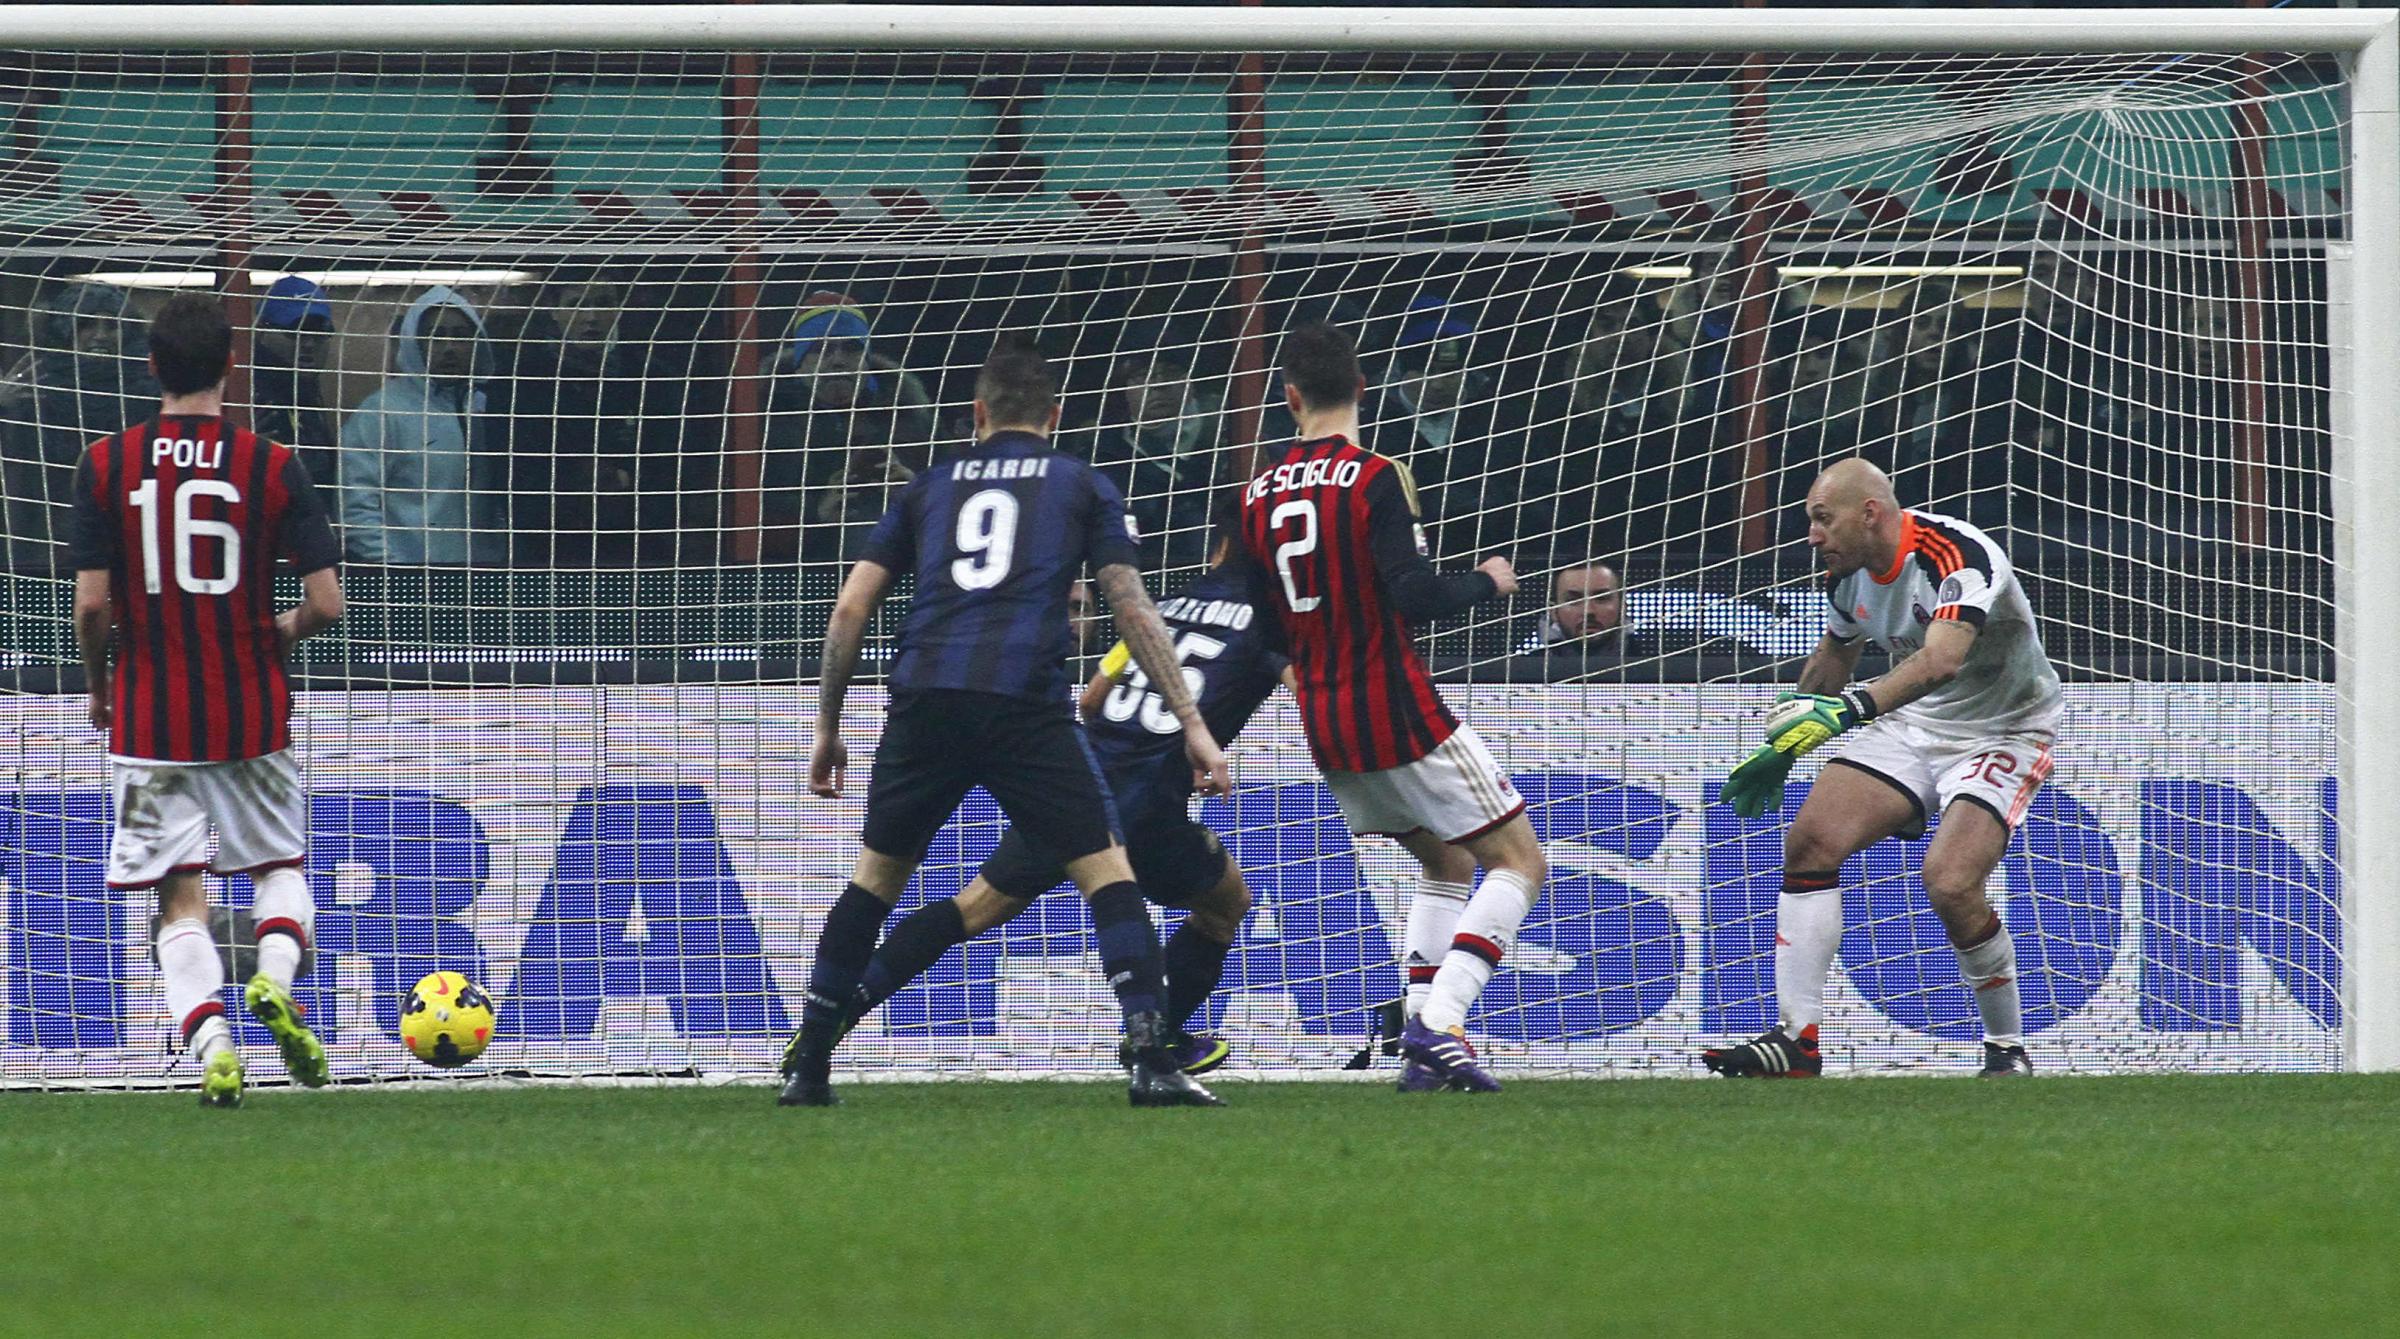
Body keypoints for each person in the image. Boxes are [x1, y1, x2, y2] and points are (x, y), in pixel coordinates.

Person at [783, 338, 1233, 1109]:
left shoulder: (928, 487)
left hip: (925, 697)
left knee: (876, 880)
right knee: (1107, 871)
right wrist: (1191, 722)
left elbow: (851, 607)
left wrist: (828, 725)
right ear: (1053, 416)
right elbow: (1131, 606)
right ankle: (1151, 1058)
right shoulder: (1081, 483)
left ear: (978, 413)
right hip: (1025, 701)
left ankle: (810, 1063)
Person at [840, 504, 1289, 1074]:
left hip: (1076, 785)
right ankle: (1157, 1039)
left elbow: (1092, 698)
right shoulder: (1272, 620)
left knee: (970, 910)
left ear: (1219, 548)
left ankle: (830, 1017)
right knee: (1225, 905)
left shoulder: (1165, 607)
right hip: (1147, 800)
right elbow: (1309, 688)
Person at [1240, 322, 1544, 1094]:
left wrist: (1306, 677)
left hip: (1326, 720)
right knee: (1519, 862)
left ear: (1290, 397)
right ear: (1362, 388)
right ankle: (1440, 1022)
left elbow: (1262, 629)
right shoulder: (1375, 475)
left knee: (1445, 861)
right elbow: (1413, 593)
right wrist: (1488, 581)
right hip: (1395, 706)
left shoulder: (1256, 492)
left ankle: (1418, 1044)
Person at [64, 293, 346, 1108]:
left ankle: (215, 1046)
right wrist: (280, 631)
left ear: (152, 365)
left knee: (178, 896)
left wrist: (100, 685)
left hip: (149, 715)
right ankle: (274, 978)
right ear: (231, 362)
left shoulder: (104, 463)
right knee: (279, 867)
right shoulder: (272, 463)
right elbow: (328, 604)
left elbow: (91, 606)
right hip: (250, 707)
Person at [1710, 458, 2059, 1079]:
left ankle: (2006, 1048)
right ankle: (1796, 1041)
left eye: (1823, 518)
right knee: (1810, 842)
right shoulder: (1846, 576)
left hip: (2004, 728)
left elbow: (1942, 660)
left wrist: (1848, 711)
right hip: (1913, 724)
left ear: (1869, 513)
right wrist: (1783, 747)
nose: (1813, 534)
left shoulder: (1957, 556)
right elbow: (1834, 657)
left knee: (1950, 882)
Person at [339, 286, 499, 564]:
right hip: (407, 575)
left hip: (484, 576)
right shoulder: (380, 412)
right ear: (415, 342)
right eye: (436, 336)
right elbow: (356, 506)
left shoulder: (491, 410)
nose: (449, 347)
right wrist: (394, 571)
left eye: (460, 336)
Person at [250, 275, 341, 511]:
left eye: (319, 332)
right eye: (295, 331)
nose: (308, 343)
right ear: (263, 332)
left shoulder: (306, 396)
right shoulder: (252, 398)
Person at [1515, 560, 1623, 655]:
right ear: (1553, 611)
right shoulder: (1520, 669)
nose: (1588, 611)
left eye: (1601, 598)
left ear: (1623, 607)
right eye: (1573, 600)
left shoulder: (1636, 659)